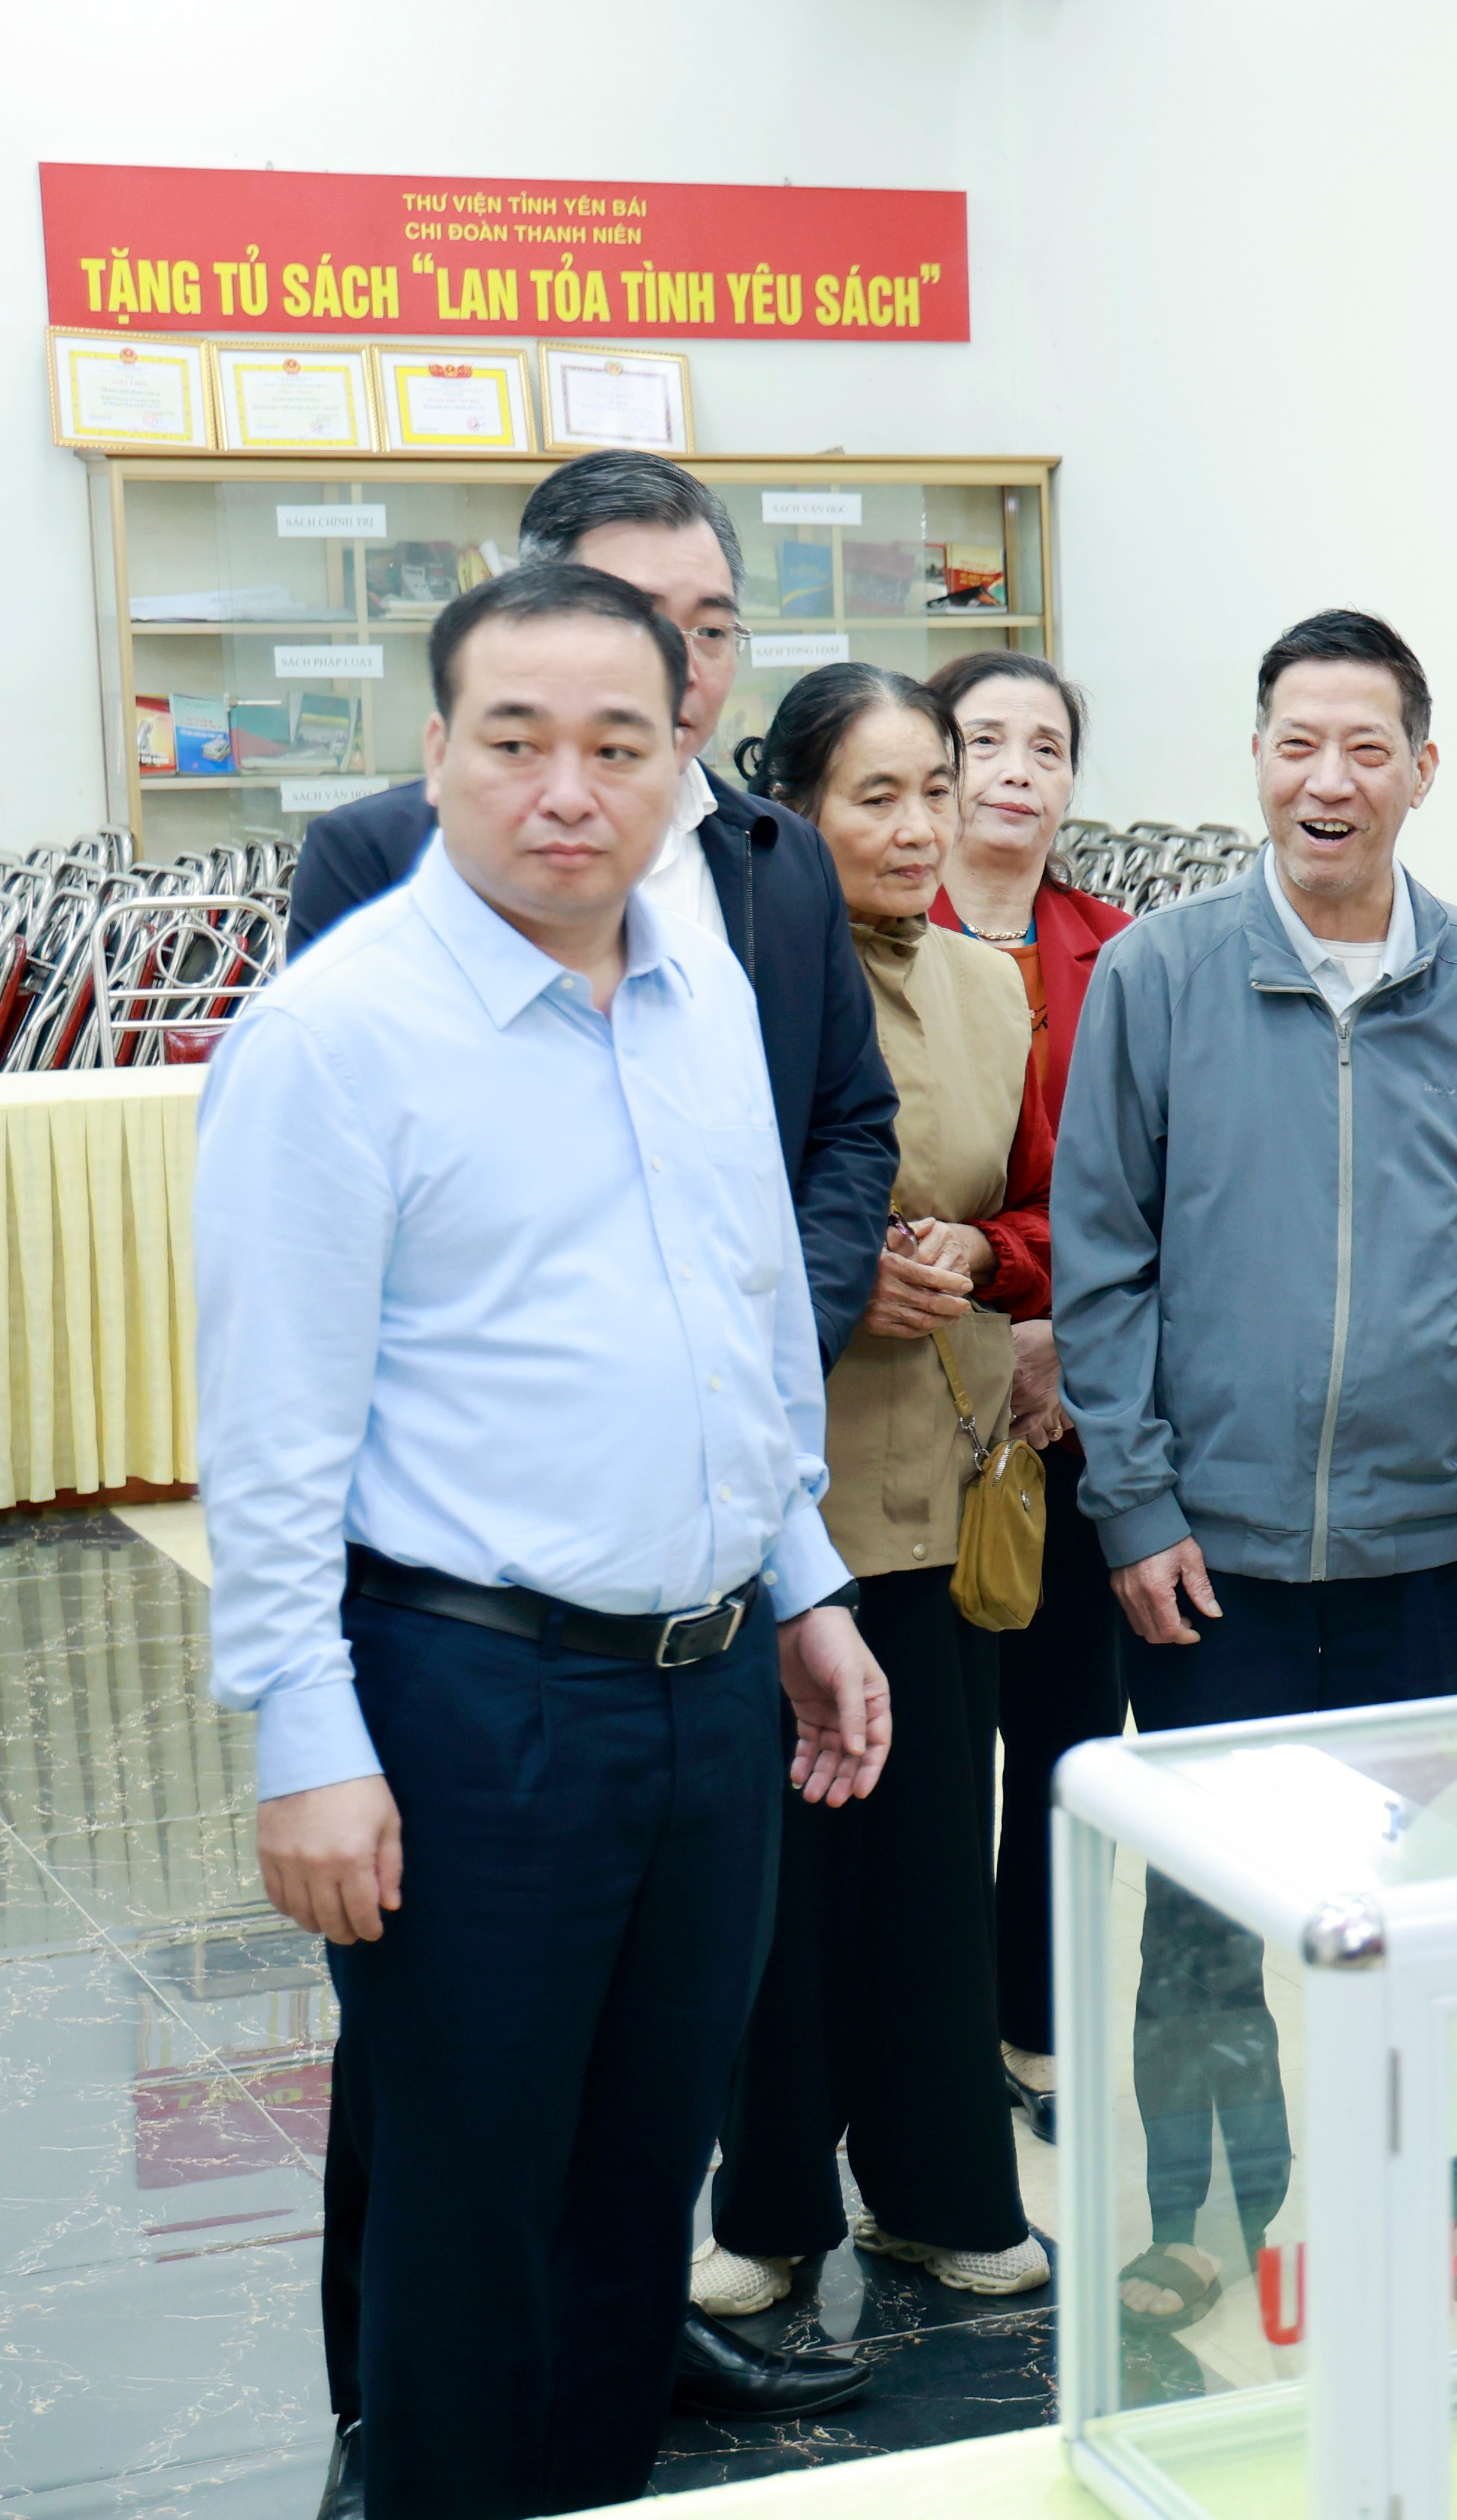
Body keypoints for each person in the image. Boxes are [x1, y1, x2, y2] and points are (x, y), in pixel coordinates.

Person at [196, 564, 894, 2520]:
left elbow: (742, 1313)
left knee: (634, 2202)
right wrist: (304, 1739)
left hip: (706, 1693)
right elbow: (270, 1434)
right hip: (470, 1699)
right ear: (436, 753)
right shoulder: (339, 1037)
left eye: (616, 743)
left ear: (685, 760)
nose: (567, 789)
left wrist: (803, 1581)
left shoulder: (699, 980)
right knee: (470, 2208)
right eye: (515, 741)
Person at [1052, 610, 1457, 2332]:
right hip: (1212, 1546)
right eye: (1295, 743)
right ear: (1258, 760)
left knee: (1431, 1888)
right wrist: (1135, 1498)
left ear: (1423, 768)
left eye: (1365, 747)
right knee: (1208, 1907)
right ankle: (1208, 2210)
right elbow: (1101, 1260)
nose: (1326, 779)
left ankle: (1445, 2192)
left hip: (1427, 1543)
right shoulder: (1161, 975)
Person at [693, 665, 1053, 2318]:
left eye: (936, 789)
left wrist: (981, 1250)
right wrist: (846, 1281)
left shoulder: (993, 987)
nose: (919, 827)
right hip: (789, 1501)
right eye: (876, 796)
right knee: (784, 1888)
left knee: (929, 1875)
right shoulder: (729, 982)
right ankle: (771, 2210)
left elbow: (1051, 1209)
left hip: (951, 1487)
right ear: (790, 809)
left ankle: (941, 2192)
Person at [924, 649, 1132, 2136]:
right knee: (930, 1741)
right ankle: (927, 2038)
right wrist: (1012, 1294)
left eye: (1044, 745)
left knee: (1068, 1732)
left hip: (1084, 1398)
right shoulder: (870, 940)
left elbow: (1147, 1182)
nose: (1015, 768)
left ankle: (1038, 2024)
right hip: (918, 1389)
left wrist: (1056, 1322)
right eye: (982, 739)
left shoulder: (1121, 953)